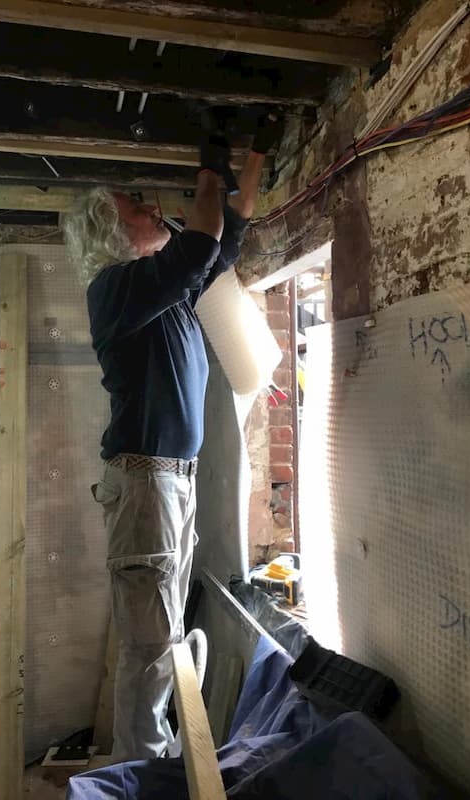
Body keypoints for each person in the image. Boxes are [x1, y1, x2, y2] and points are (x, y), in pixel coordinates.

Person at [62, 124, 277, 761]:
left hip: (170, 480)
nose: (155, 209)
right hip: (146, 482)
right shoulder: (116, 290)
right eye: (139, 206)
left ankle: (153, 761)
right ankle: (140, 774)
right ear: (111, 229)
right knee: (149, 647)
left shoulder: (166, 294)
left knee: (163, 635)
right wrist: (208, 166)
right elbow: (202, 242)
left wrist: (252, 156)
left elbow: (223, 241)